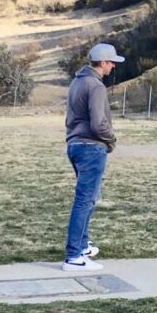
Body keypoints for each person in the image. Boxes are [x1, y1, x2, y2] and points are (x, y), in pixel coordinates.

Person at [63, 43, 125, 271]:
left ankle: (82, 245)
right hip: (91, 146)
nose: (113, 66)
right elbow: (99, 123)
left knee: (87, 197)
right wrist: (111, 139)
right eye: (112, 62)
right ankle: (73, 255)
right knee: (85, 200)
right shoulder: (96, 86)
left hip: (75, 144)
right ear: (103, 62)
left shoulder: (77, 82)